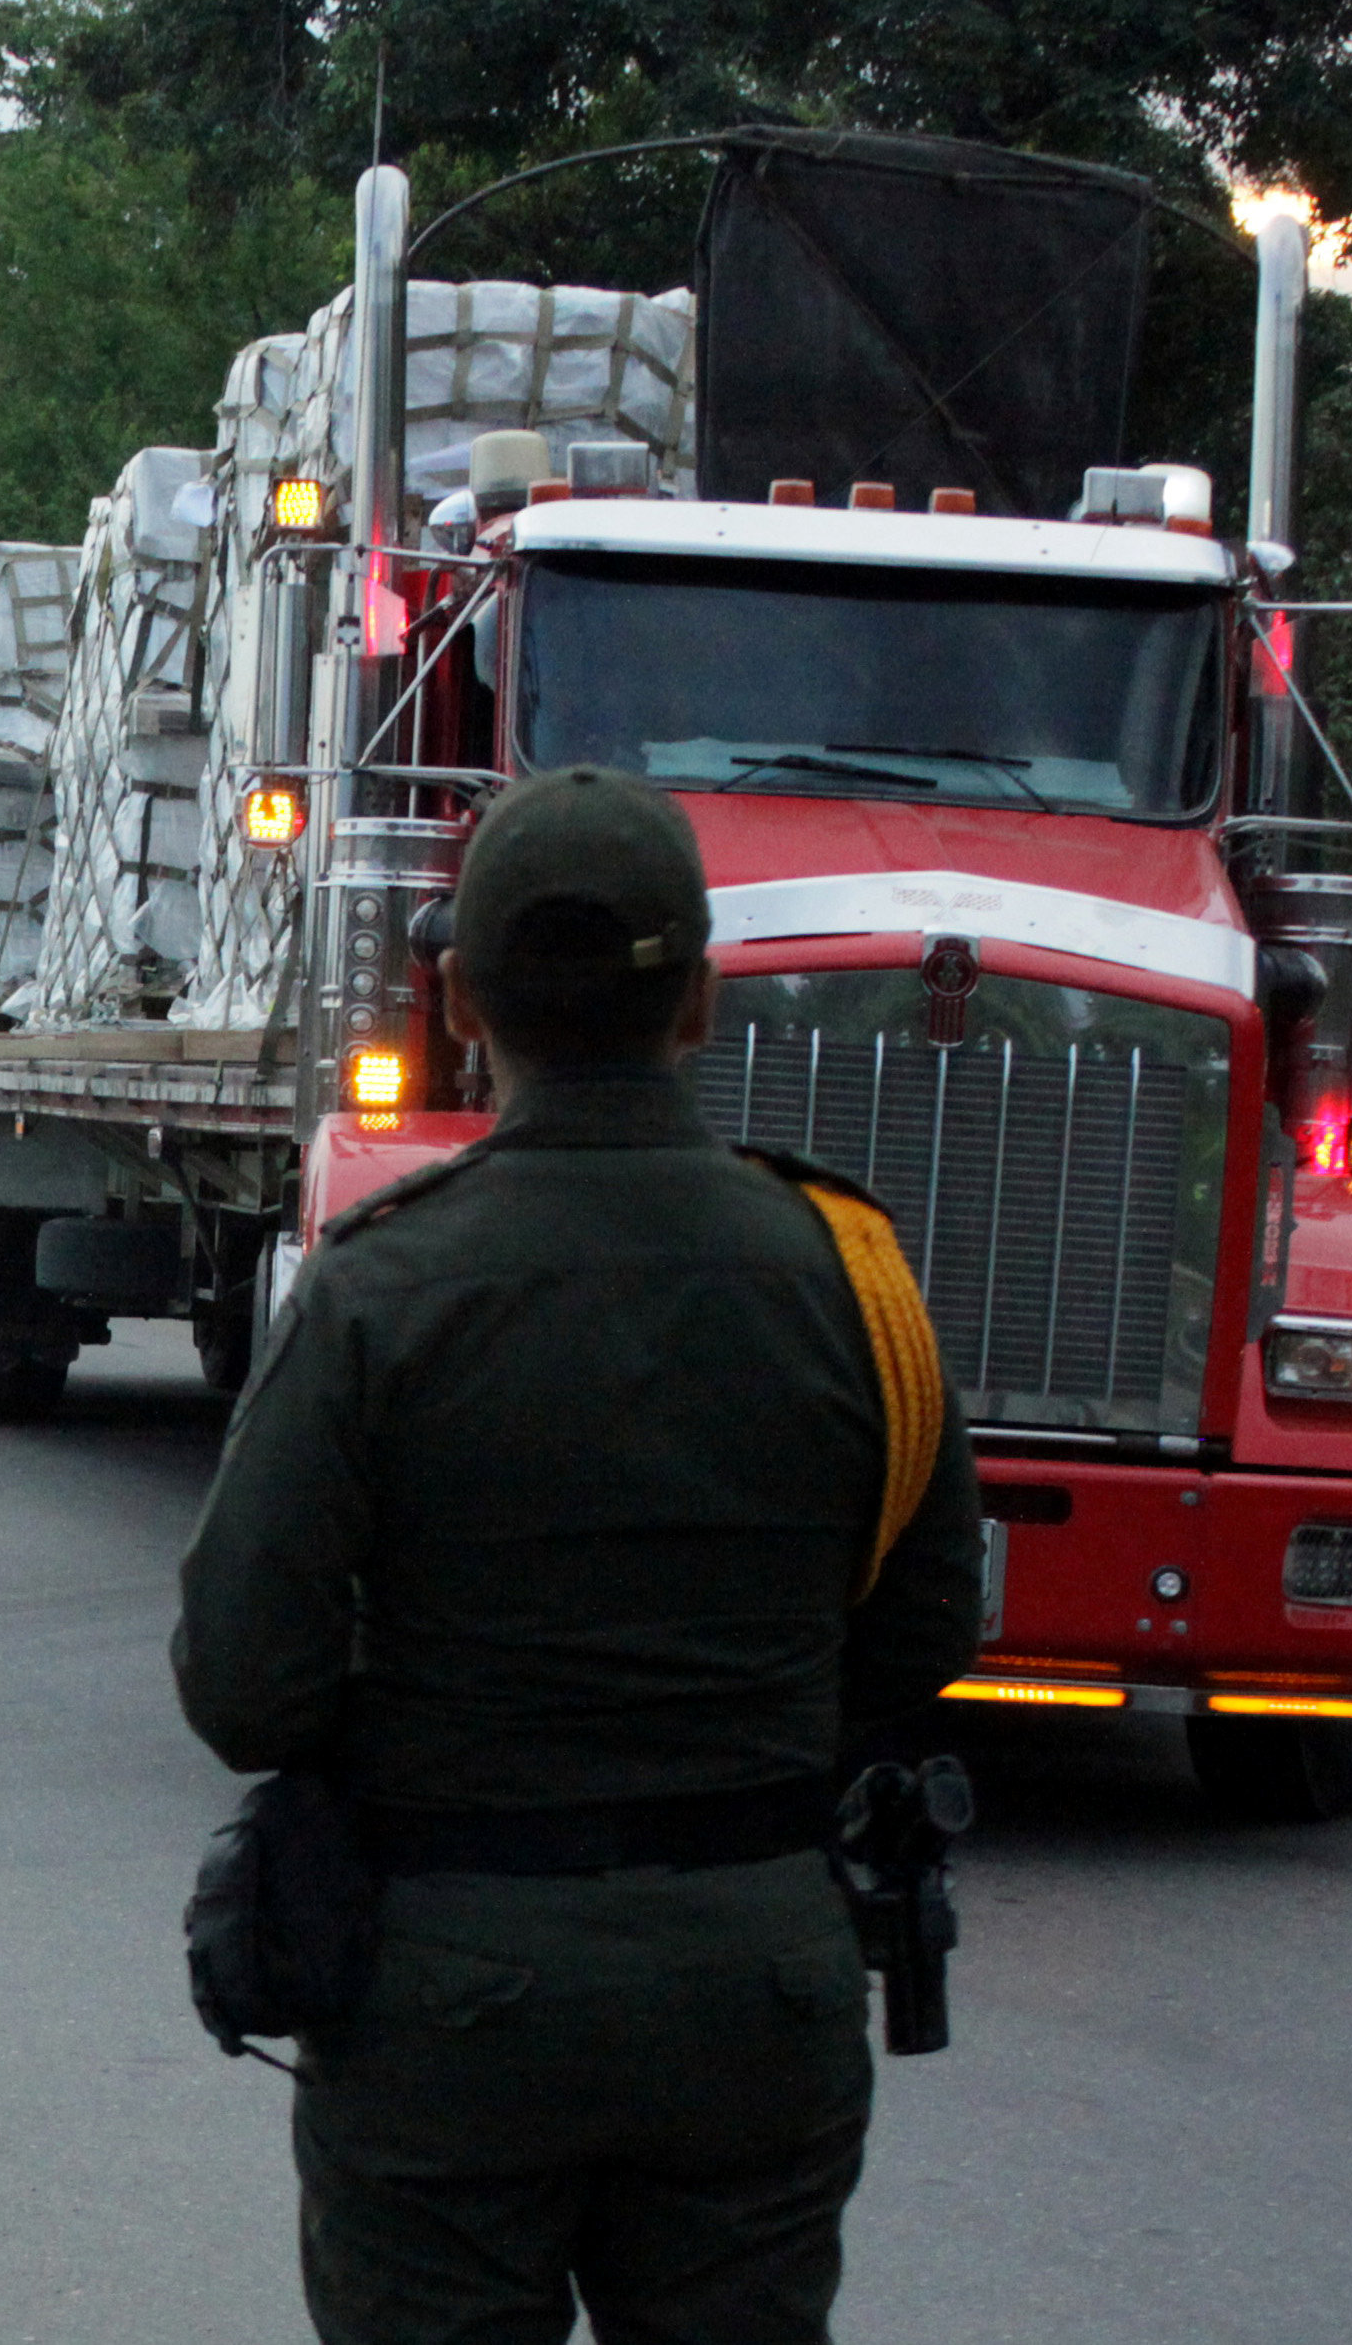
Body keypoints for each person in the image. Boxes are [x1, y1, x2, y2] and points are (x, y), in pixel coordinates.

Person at [173, 768, 983, 2345]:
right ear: (700, 1001)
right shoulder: (850, 1273)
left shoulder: (381, 1290)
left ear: (461, 1000)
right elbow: (926, 1632)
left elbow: (245, 1688)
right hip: (758, 1975)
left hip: (454, 1989)